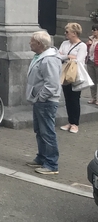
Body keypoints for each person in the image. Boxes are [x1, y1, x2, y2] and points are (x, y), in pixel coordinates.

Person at [26, 30, 60, 175]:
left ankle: (51, 164)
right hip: (40, 100)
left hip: (46, 101)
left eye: (32, 41)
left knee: (47, 132)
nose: (30, 43)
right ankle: (41, 157)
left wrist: (40, 97)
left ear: (39, 43)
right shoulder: (41, 57)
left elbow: (52, 84)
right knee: (40, 131)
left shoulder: (49, 59)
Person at [57, 22, 86, 134]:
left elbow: (79, 60)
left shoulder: (82, 46)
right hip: (65, 73)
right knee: (68, 99)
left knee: (74, 99)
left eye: (67, 32)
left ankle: (75, 123)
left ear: (74, 33)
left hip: (75, 74)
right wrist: (68, 56)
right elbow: (58, 55)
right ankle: (70, 121)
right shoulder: (65, 43)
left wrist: (65, 57)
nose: (65, 34)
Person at [87, 25, 98, 105]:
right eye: (92, 30)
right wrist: (88, 44)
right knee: (92, 81)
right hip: (90, 61)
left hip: (97, 62)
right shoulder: (91, 39)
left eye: (95, 30)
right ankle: (93, 98)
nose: (93, 32)